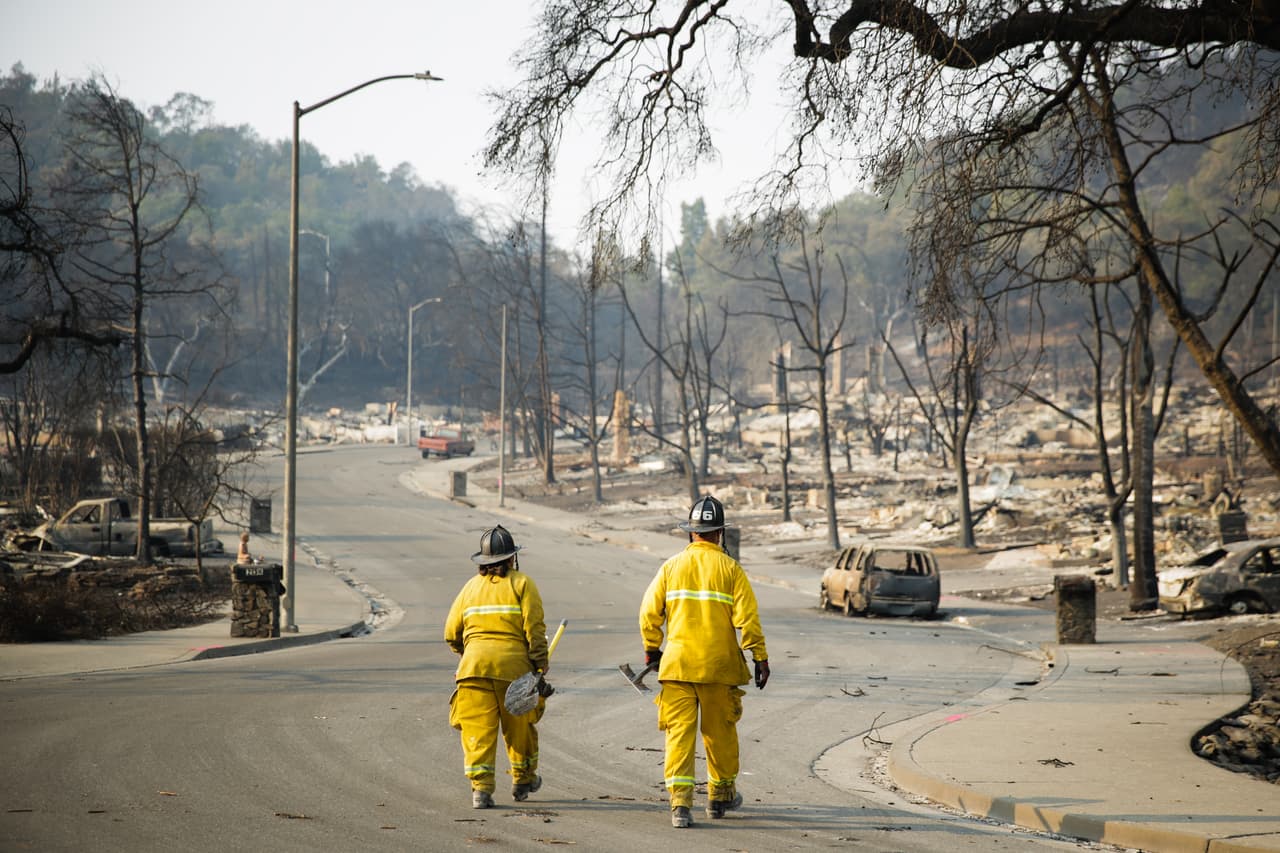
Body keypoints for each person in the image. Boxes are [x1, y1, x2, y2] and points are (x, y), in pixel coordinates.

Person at [638, 495, 769, 829]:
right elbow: (748, 621)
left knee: (678, 736)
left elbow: (648, 613)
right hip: (719, 668)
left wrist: (652, 650)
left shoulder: (670, 567)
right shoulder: (731, 569)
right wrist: (760, 657)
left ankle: (680, 806)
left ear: (691, 533)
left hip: (678, 667)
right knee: (719, 734)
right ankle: (719, 797)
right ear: (719, 533)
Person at [444, 525, 550, 809]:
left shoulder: (469, 588)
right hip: (513, 671)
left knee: (477, 732)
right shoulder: (522, 584)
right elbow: (535, 630)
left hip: (472, 671)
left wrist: (468, 655)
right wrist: (540, 665)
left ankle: (481, 790)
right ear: (511, 558)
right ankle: (523, 780)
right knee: (520, 728)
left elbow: (450, 633)